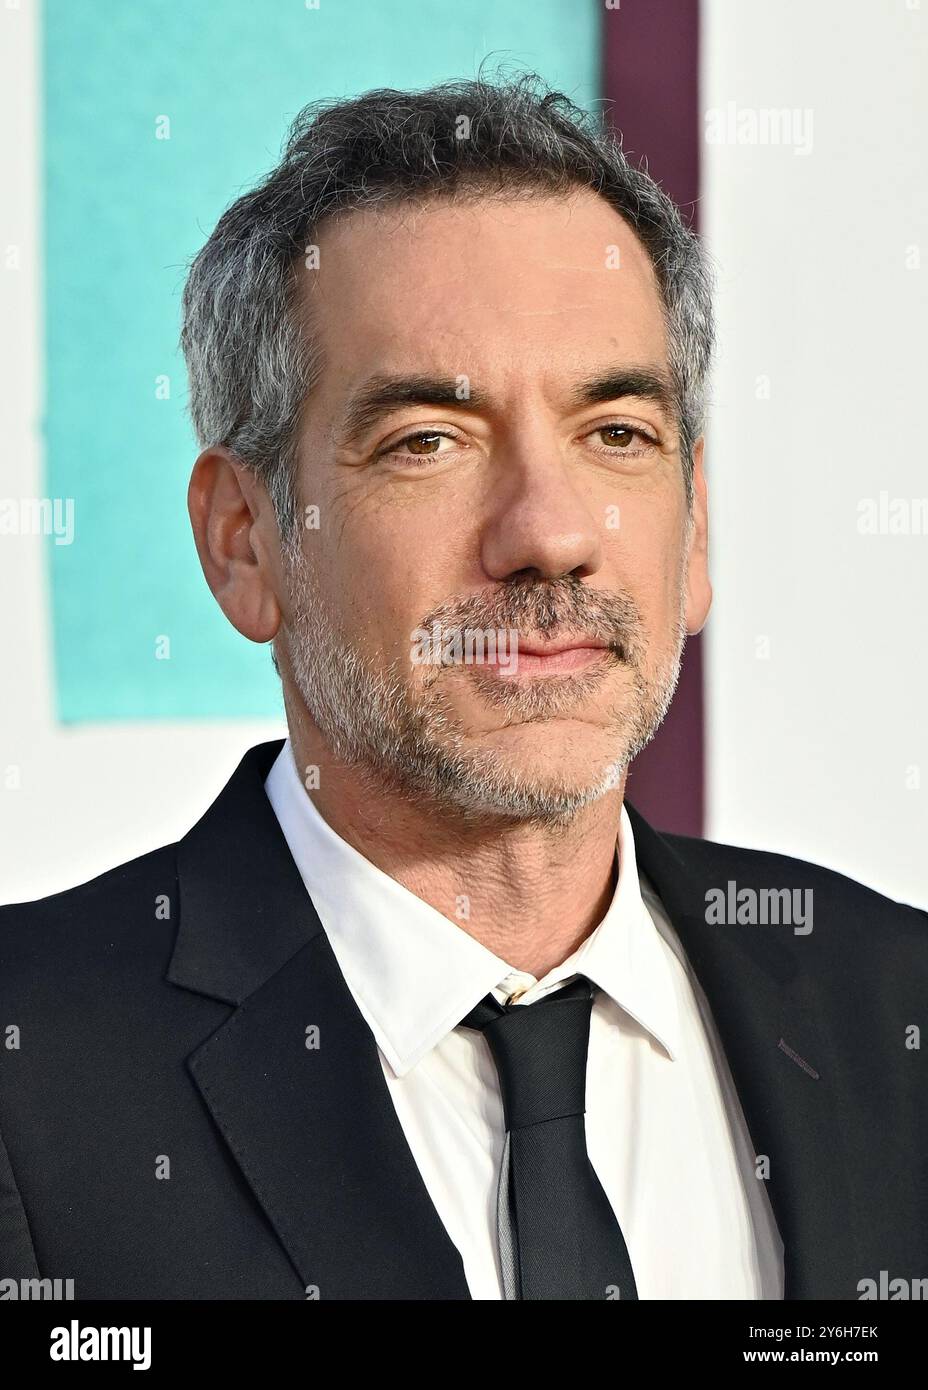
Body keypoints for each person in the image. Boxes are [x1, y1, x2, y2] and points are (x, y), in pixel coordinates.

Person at [1, 74, 925, 1302]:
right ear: (242, 541)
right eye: (426, 441)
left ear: (693, 529)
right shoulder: (32, 1079)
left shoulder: (896, 1006)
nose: (549, 534)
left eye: (616, 433)